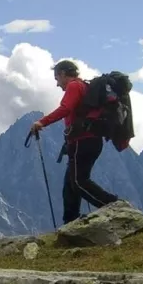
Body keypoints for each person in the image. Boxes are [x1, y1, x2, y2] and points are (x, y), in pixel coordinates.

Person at [27, 59, 118, 225]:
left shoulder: (74, 86)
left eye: (56, 78)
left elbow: (66, 108)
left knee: (78, 182)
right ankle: (70, 223)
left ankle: (114, 205)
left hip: (82, 141)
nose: (57, 84)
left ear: (62, 74)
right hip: (90, 141)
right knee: (70, 184)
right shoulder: (84, 86)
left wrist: (42, 122)